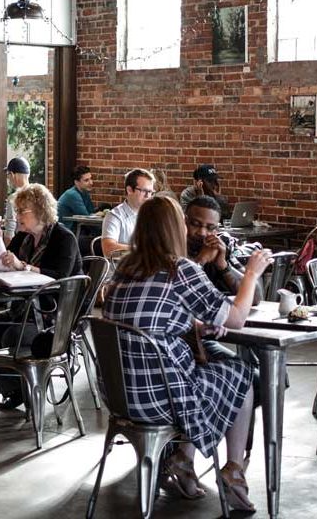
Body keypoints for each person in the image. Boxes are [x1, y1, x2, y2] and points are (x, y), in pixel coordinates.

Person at [103, 196, 271, 510]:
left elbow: (150, 317)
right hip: (160, 398)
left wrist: (195, 326)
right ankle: (233, 469)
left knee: (207, 369)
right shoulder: (178, 268)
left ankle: (183, 459)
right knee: (242, 375)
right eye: (183, 220)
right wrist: (251, 275)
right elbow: (236, 318)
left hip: (121, 396)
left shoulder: (125, 271)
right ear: (173, 228)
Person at [0, 183, 82, 410]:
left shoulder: (64, 238)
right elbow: (6, 262)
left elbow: (58, 277)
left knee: (13, 335)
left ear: (41, 211)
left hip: (53, 316)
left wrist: (23, 266)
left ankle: (32, 390)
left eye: (23, 211)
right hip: (25, 310)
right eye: (18, 210)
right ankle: (13, 390)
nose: (18, 216)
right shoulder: (24, 237)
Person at [185, 195, 262, 304]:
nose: (202, 232)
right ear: (184, 222)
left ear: (216, 230)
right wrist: (201, 260)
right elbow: (173, 289)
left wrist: (223, 266)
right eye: (196, 224)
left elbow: (255, 297)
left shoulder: (219, 247)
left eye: (210, 228)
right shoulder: (173, 247)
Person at [101, 168, 155, 257]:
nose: (148, 196)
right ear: (129, 190)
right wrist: (142, 250)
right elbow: (108, 249)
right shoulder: (114, 216)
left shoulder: (152, 215)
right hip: (123, 268)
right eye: (144, 191)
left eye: (150, 192)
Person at [4, 156, 30, 246]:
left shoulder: (14, 198)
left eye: (8, 176)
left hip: (21, 247)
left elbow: (9, 234)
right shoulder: (38, 195)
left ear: (12, 174)